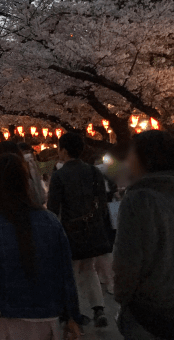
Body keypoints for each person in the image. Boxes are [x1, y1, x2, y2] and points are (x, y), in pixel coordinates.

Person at [0, 153, 85, 340]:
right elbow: (65, 272)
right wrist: (72, 315)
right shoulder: (49, 221)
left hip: (0, 313)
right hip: (45, 313)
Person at [114, 130, 174, 340]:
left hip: (150, 311)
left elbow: (127, 261)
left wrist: (122, 298)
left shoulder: (137, 199)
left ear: (144, 159)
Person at [48, 133, 112, 328]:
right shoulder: (94, 172)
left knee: (72, 273)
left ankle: (74, 314)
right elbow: (102, 202)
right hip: (93, 230)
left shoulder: (59, 176)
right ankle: (98, 309)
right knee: (89, 269)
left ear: (64, 150)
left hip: (71, 232)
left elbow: (53, 208)